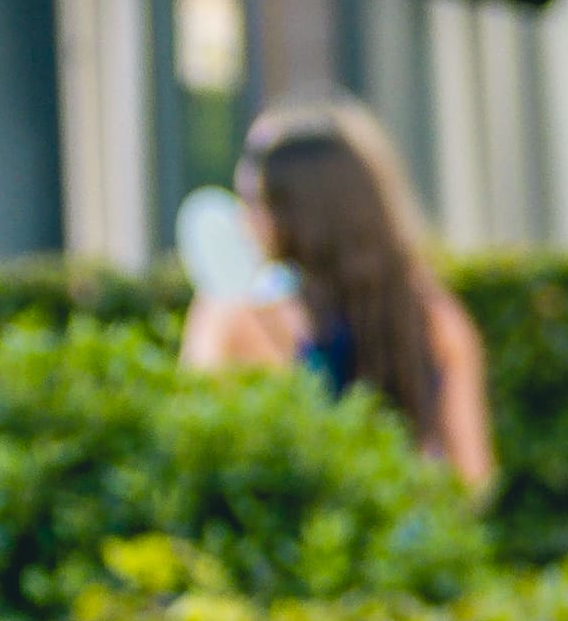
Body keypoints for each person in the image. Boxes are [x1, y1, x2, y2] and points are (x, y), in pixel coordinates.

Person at [178, 94, 498, 501]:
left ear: (298, 213)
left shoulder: (237, 318)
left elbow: (194, 456)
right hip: (412, 530)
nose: (246, 222)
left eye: (257, 204)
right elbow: (473, 479)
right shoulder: (436, 317)